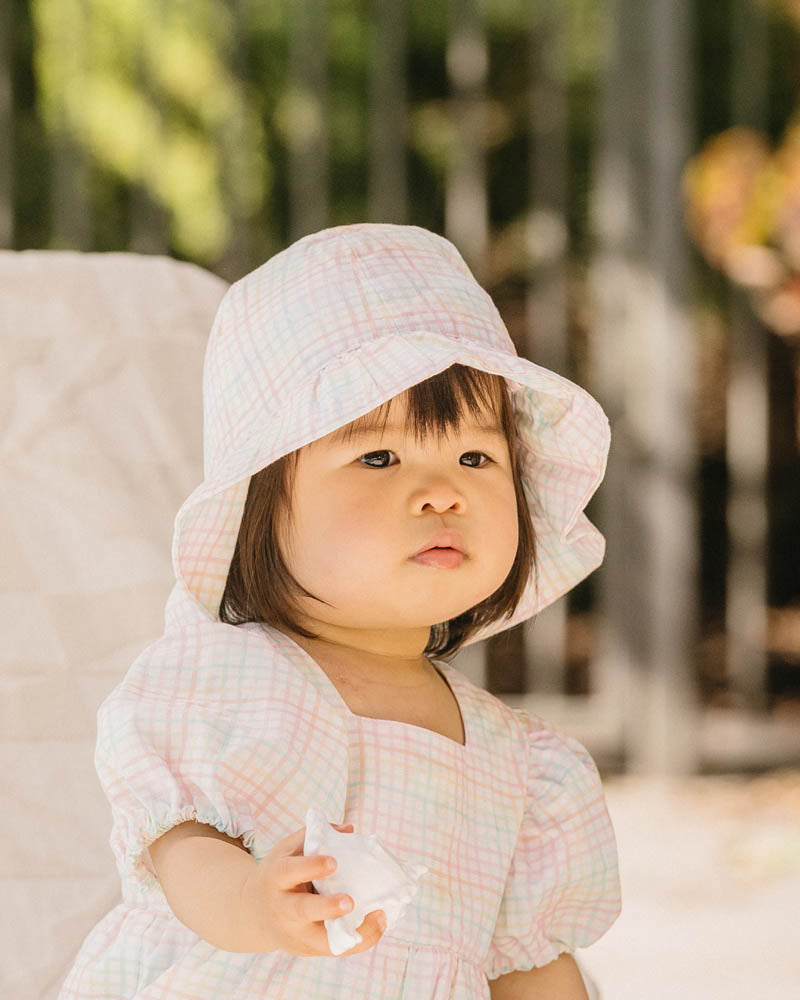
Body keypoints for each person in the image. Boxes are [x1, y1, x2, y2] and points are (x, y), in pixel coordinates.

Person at [58, 223, 621, 999]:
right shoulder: (227, 679)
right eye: (379, 457)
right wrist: (255, 903)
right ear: (263, 507)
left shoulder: (528, 772)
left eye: (476, 457)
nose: (442, 489)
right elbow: (179, 848)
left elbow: (533, 966)